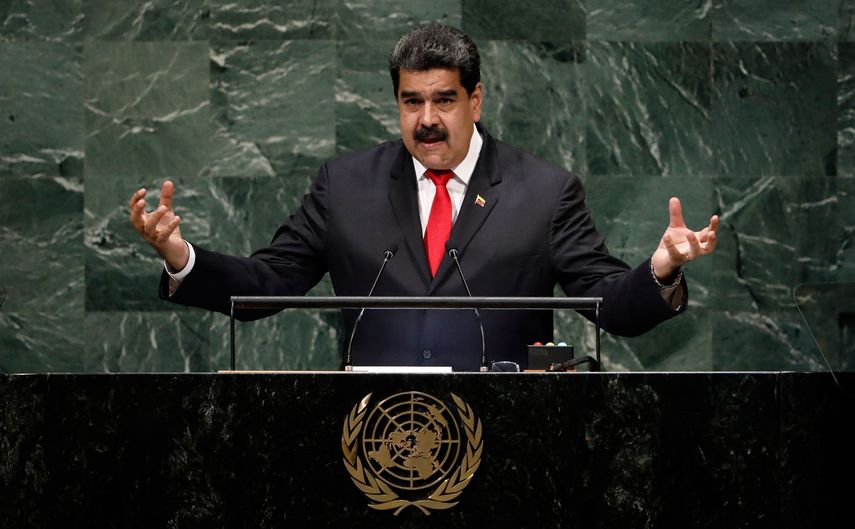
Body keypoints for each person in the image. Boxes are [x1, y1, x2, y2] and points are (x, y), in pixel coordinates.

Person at [128, 23, 718, 371]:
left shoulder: (544, 190)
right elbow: (266, 285)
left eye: (444, 100)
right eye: (412, 102)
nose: (427, 120)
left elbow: (609, 306)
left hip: (510, 446)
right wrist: (182, 258)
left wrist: (662, 267)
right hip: (372, 440)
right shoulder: (345, 185)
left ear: (476, 100)